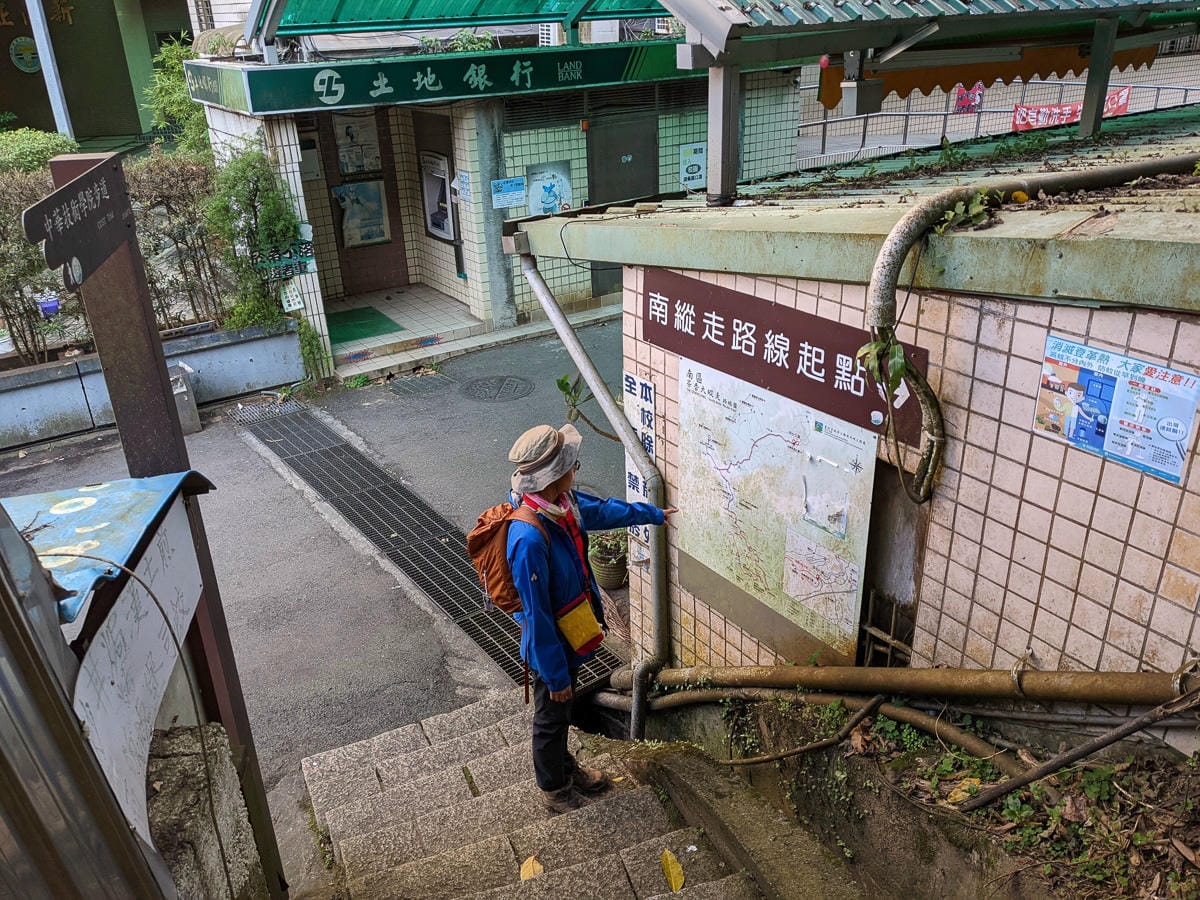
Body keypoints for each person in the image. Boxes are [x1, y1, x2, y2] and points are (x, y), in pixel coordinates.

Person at [506, 423, 676, 814]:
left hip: (573, 629)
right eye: (572, 465)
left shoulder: (562, 504)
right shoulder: (528, 538)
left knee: (561, 711)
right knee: (550, 714)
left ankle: (565, 770)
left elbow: (600, 511)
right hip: (551, 645)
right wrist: (555, 675)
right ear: (554, 477)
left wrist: (651, 513)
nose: (575, 470)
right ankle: (555, 791)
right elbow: (537, 615)